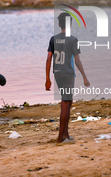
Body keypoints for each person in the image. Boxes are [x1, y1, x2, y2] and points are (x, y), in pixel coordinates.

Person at [45, 12, 90, 145]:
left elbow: (48, 59)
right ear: (70, 24)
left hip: (57, 73)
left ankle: (66, 134)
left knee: (68, 102)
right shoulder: (73, 39)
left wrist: (47, 78)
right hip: (68, 74)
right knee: (65, 103)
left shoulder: (53, 39)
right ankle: (60, 138)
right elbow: (77, 61)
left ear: (59, 24)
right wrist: (85, 77)